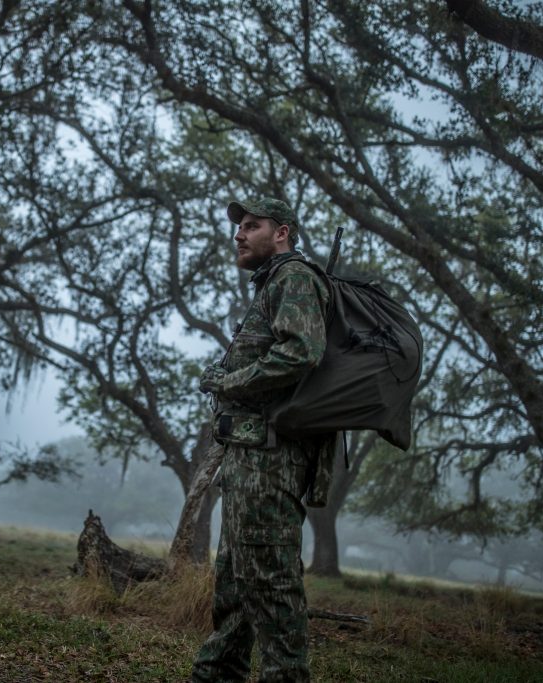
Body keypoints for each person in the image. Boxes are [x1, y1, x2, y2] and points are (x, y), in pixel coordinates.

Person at [191, 198, 333, 682]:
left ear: (282, 233)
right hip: (248, 457)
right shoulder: (272, 283)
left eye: (252, 226)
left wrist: (231, 382)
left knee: (270, 584)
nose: (239, 234)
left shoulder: (295, 277)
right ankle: (215, 674)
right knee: (235, 585)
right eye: (239, 227)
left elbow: (301, 352)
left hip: (271, 460)